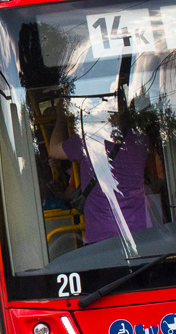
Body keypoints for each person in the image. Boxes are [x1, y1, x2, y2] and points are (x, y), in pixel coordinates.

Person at [47, 102, 150, 244]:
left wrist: (61, 116)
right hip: (141, 230)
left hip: (102, 235)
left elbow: (53, 149)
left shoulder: (89, 139)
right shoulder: (140, 138)